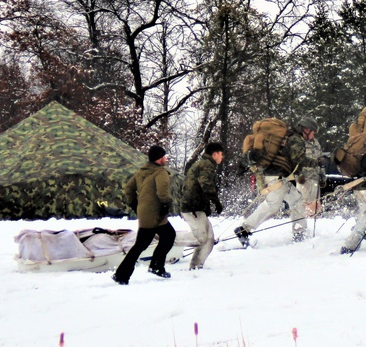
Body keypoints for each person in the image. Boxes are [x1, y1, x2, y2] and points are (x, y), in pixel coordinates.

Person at [234, 119, 312, 246]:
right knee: (272, 205)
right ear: (306, 130)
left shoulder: (289, 136)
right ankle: (244, 229)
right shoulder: (296, 139)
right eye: (313, 132)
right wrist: (316, 163)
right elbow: (299, 159)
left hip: (280, 177)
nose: (313, 136)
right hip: (276, 176)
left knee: (296, 201)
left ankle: (300, 232)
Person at [113, 145, 176, 284]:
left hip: (145, 213)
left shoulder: (142, 172)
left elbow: (128, 189)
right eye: (164, 156)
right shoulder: (160, 172)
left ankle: (155, 266)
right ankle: (124, 274)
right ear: (159, 158)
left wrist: (136, 205)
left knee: (165, 236)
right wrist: (166, 204)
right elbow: (162, 192)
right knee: (145, 243)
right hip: (156, 213)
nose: (165, 159)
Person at [180, 142, 224, 270]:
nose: (222, 157)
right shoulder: (207, 165)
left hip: (197, 207)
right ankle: (168, 238)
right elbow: (205, 184)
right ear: (215, 154)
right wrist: (216, 201)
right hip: (192, 207)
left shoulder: (203, 164)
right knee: (201, 238)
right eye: (221, 154)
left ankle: (196, 266)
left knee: (209, 239)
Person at [294, 117, 325, 218]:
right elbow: (294, 161)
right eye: (313, 131)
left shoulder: (316, 143)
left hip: (315, 179)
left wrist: (322, 176)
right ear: (306, 130)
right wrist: (298, 176)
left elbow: (320, 160)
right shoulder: (298, 142)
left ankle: (314, 222)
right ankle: (302, 225)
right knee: (304, 206)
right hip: (304, 180)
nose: (314, 134)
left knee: (315, 206)